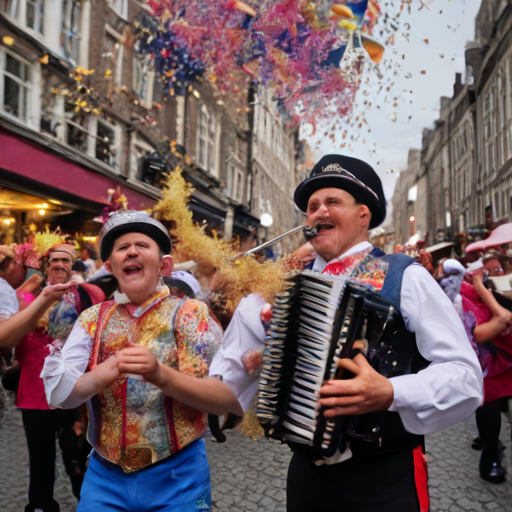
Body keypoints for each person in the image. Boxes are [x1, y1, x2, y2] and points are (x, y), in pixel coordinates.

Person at [244, 154, 482, 512]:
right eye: (312, 207)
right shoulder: (298, 284)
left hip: (381, 481)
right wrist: (276, 358)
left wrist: (390, 391)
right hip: (305, 478)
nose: (319, 212)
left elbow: (466, 378)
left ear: (363, 215)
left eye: (333, 202)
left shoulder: (405, 275)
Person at [41, 210, 243, 511]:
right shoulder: (92, 319)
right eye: (122, 247)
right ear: (110, 266)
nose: (132, 251)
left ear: (164, 265)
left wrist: (161, 375)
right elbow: (61, 396)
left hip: (178, 478)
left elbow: (225, 399)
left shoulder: (191, 313)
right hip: (104, 478)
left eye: (142, 245)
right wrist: (109, 369)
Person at [0, 243, 103, 512]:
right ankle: (42, 505)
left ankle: (89, 503)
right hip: (34, 393)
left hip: (74, 393)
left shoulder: (88, 294)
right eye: (54, 259)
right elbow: (7, 337)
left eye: (66, 259)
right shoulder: (23, 297)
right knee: (40, 460)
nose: (60, 264)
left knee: (76, 455)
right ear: (45, 265)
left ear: (73, 266)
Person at [460, 261, 512, 483]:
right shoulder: (465, 292)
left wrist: (483, 286)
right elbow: (481, 332)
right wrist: (482, 286)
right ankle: (490, 452)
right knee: (488, 402)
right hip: (492, 358)